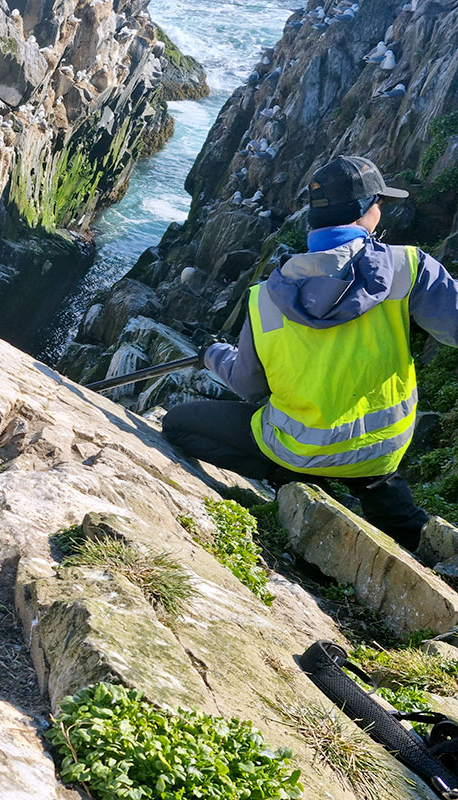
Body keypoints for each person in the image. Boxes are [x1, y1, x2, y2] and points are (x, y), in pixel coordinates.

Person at [163, 155, 458, 551]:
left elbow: (249, 386)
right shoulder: (408, 267)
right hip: (379, 449)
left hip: (297, 449)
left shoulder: (265, 298)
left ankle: (296, 482)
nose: (380, 209)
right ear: (364, 212)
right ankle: (412, 535)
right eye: (378, 202)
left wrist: (212, 352)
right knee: (381, 486)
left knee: (178, 423)